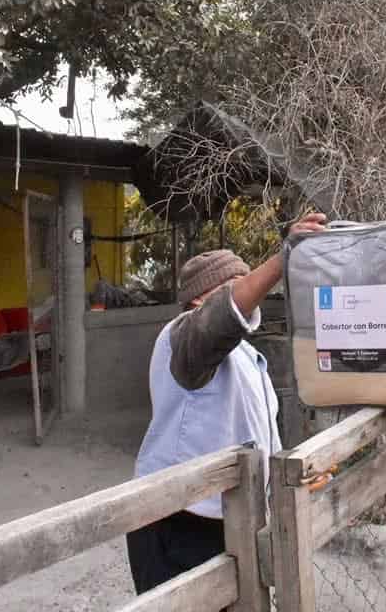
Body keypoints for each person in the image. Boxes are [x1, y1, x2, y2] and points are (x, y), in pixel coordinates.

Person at [126, 212, 327, 594]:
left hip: (231, 513)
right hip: (178, 519)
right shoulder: (181, 338)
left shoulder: (245, 357)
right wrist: (280, 260)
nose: (252, 292)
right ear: (202, 298)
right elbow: (218, 321)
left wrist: (284, 478)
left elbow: (257, 430)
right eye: (238, 285)